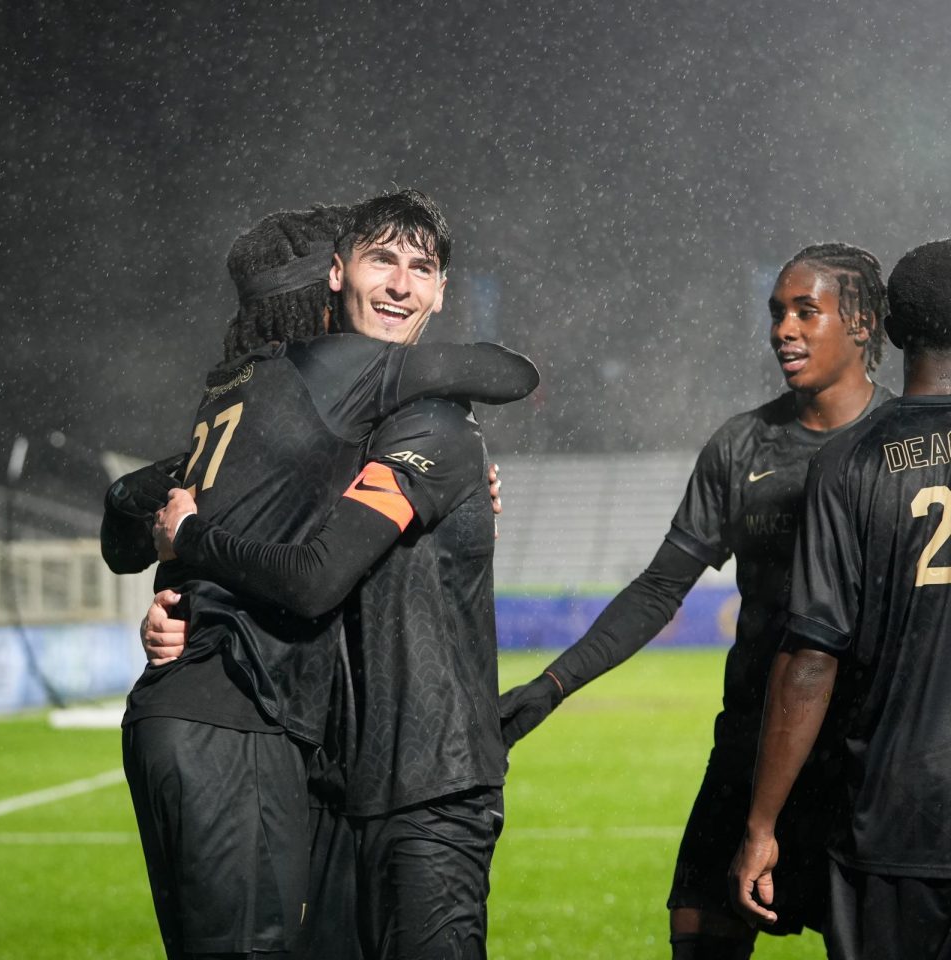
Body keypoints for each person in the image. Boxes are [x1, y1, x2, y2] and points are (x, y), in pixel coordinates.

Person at [108, 197, 538, 960]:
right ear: (332, 279)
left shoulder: (251, 399)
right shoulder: (346, 380)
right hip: (245, 721)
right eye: (379, 261)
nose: (401, 285)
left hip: (248, 729)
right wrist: (191, 547)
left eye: (421, 269)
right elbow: (508, 369)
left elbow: (121, 512)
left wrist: (178, 567)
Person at [497, 243, 893, 959]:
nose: (784, 330)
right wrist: (553, 685)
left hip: (862, 766)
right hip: (747, 748)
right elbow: (658, 589)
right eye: (777, 313)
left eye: (808, 311)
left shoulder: (903, 450)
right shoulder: (742, 446)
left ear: (862, 323)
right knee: (697, 934)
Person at [730, 238, 951, 960]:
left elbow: (812, 658)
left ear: (888, 329)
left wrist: (763, 825)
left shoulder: (847, 463)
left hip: (890, 819)